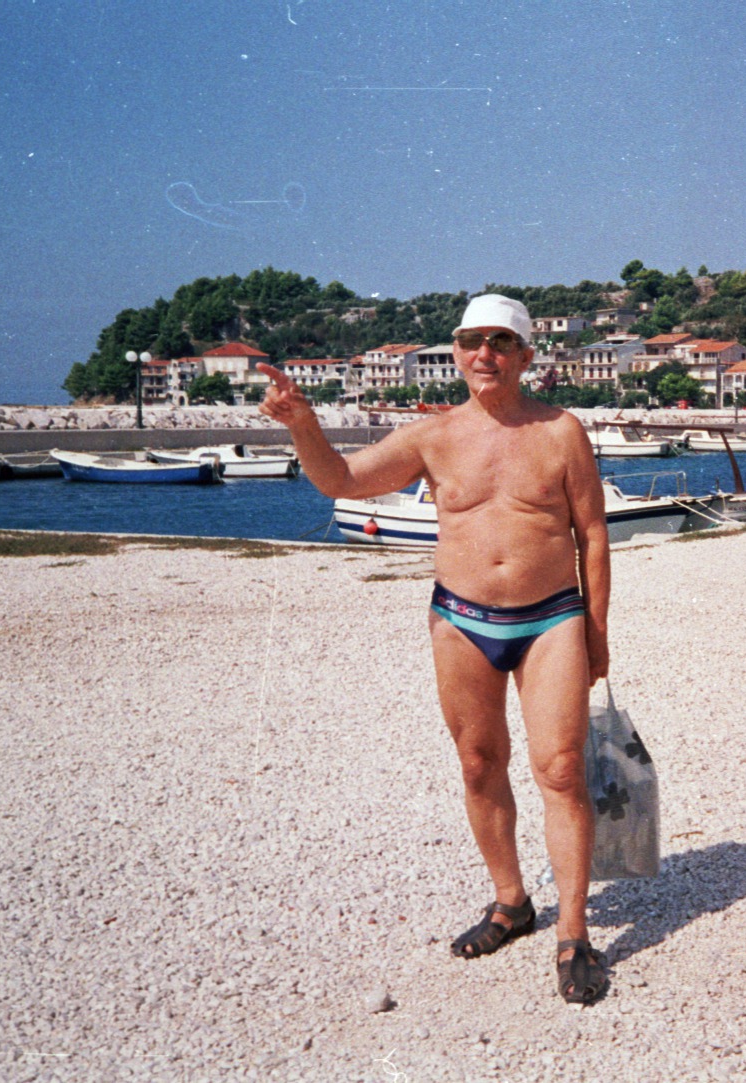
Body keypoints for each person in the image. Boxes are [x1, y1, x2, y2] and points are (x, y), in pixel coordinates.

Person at [258, 293, 611, 1004]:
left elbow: (592, 534)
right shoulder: (433, 436)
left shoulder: (562, 431)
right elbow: (340, 480)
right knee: (480, 762)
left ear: (525, 356)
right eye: (471, 341)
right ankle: (511, 902)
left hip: (552, 619)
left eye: (500, 342)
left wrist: (597, 633)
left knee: (563, 768)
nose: (485, 353)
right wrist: (304, 426)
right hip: (460, 617)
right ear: (456, 351)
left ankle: (573, 931)